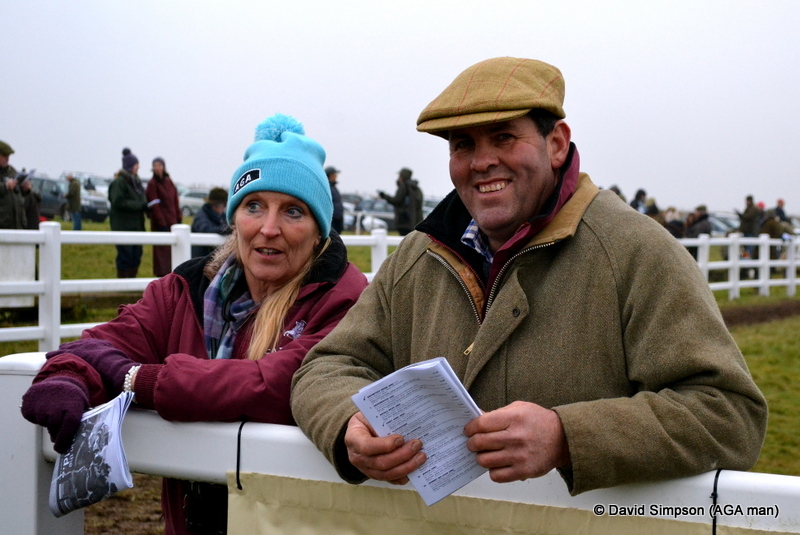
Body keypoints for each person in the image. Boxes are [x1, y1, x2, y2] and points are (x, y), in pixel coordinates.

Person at [291, 57, 767, 497]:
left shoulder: (636, 251)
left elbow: (729, 414)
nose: (481, 162)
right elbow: (326, 366)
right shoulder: (418, 255)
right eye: (463, 145)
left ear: (556, 144)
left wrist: (566, 436)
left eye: (503, 137)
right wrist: (348, 423)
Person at [20, 113, 369, 535]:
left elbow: (281, 384)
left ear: (319, 232)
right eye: (254, 206)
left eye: (293, 211)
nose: (268, 228)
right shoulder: (187, 289)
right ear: (234, 218)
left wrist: (140, 380)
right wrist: (69, 377)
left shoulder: (344, 298)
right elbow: (103, 345)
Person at [109, 148, 147, 278]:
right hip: (123, 226)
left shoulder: (136, 182)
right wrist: (139, 205)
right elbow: (118, 202)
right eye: (136, 164)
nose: (138, 167)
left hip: (136, 226)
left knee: (136, 256)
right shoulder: (119, 182)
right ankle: (123, 283)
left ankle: (131, 282)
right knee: (125, 257)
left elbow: (141, 199)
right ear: (130, 166)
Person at [146, 157, 182, 276]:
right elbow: (154, 205)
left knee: (172, 254)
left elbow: (175, 200)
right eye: (155, 166)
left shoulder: (168, 181)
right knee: (161, 256)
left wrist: (178, 218)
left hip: (173, 223)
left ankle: (172, 277)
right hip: (160, 226)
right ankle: (162, 278)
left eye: (159, 165)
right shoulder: (152, 184)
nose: (157, 168)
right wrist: (161, 223)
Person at [378, 167, 424, 235]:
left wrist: (384, 196)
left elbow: (396, 200)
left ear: (402, 176)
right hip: (415, 222)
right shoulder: (416, 188)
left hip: (404, 221)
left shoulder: (404, 187)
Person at [191, 187, 230, 258]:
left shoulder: (221, 216)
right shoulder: (201, 216)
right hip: (200, 257)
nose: (224, 207)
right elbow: (206, 229)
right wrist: (225, 230)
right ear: (216, 204)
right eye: (224, 205)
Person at [0, 140, 26, 229]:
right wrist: (5, 186)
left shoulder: (11, 170)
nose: (7, 159)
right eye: (4, 156)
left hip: (16, 224)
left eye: (8, 156)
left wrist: (25, 189)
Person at [325, 166, 345, 234]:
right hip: (332, 219)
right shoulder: (328, 187)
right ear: (330, 175)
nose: (336, 176)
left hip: (337, 218)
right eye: (335, 174)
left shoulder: (333, 187)